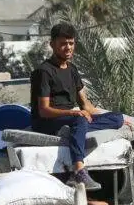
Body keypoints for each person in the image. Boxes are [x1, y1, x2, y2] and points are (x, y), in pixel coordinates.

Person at [30, 22, 125, 190]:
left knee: (117, 118)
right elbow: (43, 111)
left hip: (70, 119)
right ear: (52, 44)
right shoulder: (44, 71)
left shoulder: (72, 69)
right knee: (80, 120)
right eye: (63, 44)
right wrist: (75, 114)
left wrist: (112, 117)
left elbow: (85, 105)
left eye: (71, 43)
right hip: (48, 122)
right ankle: (79, 171)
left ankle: (75, 129)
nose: (68, 47)